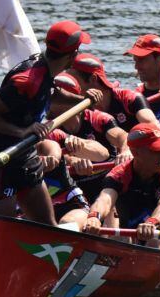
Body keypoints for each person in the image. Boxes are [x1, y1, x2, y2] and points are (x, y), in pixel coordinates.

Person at [0, 20, 90, 225]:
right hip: (2, 160)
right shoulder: (27, 80)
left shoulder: (46, 72)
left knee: (48, 227)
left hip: (26, 157)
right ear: (73, 55)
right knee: (1, 228)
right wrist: (21, 131)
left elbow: (52, 94)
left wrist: (83, 101)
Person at [84, 122, 160, 250]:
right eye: (155, 150)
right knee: (118, 240)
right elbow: (105, 199)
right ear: (135, 152)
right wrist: (94, 217)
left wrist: (152, 222)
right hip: (131, 238)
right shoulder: (120, 173)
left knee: (154, 243)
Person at [47, 72, 128, 203]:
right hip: (73, 186)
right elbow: (54, 154)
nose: (49, 104)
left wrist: (126, 151)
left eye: (56, 97)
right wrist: (73, 161)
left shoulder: (98, 118)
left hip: (107, 181)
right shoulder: (49, 128)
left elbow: (122, 137)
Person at [72, 53, 159, 128]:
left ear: (93, 79)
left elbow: (155, 129)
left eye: (74, 80)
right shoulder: (76, 109)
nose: (71, 85)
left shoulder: (130, 99)